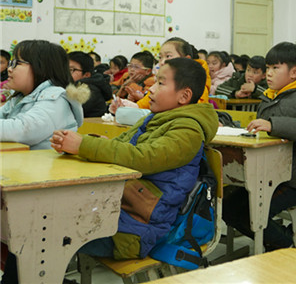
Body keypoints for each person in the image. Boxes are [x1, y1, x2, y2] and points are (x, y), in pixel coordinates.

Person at [50, 58, 219, 261]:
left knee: (45, 233)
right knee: (46, 219)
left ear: (184, 96)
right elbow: (121, 144)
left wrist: (84, 145)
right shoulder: (154, 118)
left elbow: (141, 158)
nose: (151, 89)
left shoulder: (188, 130)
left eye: (160, 83)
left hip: (134, 230)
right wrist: (84, 144)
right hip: (116, 210)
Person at [223, 42, 296, 249]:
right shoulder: (270, 96)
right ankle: (277, 242)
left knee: (250, 212)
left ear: (294, 72)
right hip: (268, 174)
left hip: (295, 179)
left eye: (275, 68)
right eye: (268, 68)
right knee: (228, 208)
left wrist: (273, 125)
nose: (268, 73)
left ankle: (285, 247)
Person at [0, 40, 85, 150]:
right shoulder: (20, 97)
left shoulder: (55, 99)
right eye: (11, 63)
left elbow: (23, 131)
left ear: (41, 68)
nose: (9, 69)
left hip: (47, 161)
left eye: (17, 63)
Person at [110, 38, 212, 114]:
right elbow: (143, 105)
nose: (162, 62)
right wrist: (125, 106)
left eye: (168, 56)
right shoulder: (162, 78)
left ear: (186, 59)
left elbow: (195, 112)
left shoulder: (198, 81)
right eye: (160, 57)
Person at [68, 51, 112, 117]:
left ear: (86, 75)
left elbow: (66, 112)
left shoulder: (90, 90)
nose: (66, 73)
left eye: (71, 70)